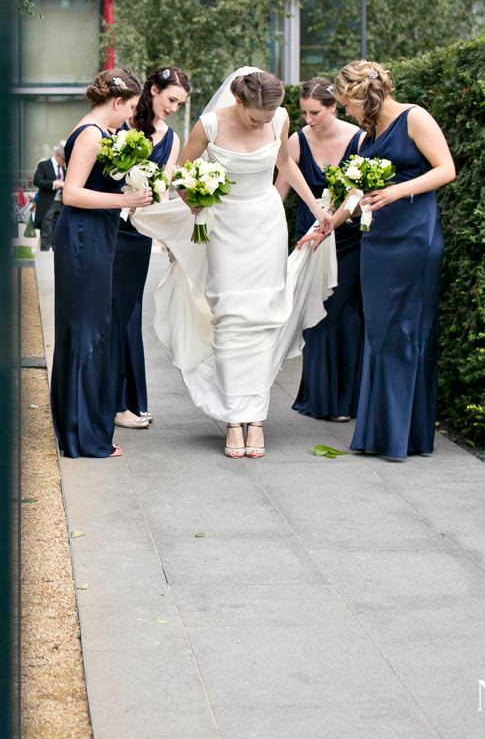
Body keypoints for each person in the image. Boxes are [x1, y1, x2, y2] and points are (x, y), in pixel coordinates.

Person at [131, 68, 335, 460]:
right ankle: (232, 418)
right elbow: (179, 175)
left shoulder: (279, 117)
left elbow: (285, 165)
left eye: (269, 117)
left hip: (265, 224)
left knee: (264, 316)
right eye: (256, 117)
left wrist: (314, 209)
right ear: (238, 101)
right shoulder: (208, 125)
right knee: (230, 315)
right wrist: (193, 197)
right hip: (224, 226)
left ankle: (254, 418)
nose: (264, 123)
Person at [332, 60, 456, 461]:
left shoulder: (414, 117)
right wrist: (326, 226)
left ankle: (402, 435)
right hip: (376, 240)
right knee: (380, 331)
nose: (345, 113)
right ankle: (380, 431)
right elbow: (355, 195)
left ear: (359, 97)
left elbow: (446, 169)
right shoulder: (366, 137)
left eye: (345, 105)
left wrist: (399, 191)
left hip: (413, 237)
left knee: (405, 330)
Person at [50, 68, 151, 459]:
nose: (129, 116)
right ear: (115, 102)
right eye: (128, 107)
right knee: (87, 329)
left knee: (95, 327)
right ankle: (81, 435)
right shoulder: (91, 133)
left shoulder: (104, 133)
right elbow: (73, 193)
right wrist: (125, 201)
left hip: (97, 233)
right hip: (82, 236)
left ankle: (88, 427)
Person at [275, 77, 364, 423]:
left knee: (346, 313)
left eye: (315, 112)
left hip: (349, 239)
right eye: (304, 113)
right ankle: (318, 397)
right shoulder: (297, 142)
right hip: (309, 236)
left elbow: (361, 193)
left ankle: (348, 400)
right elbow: (279, 193)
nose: (308, 119)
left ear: (333, 107)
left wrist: (339, 218)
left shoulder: (359, 139)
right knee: (317, 314)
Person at [109, 66, 191, 430]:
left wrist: (171, 240)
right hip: (107, 224)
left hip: (137, 236)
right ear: (153, 90)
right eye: (171, 99)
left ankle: (128, 400)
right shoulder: (119, 125)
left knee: (127, 312)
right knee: (105, 313)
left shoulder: (171, 139)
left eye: (180, 103)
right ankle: (107, 400)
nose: (173, 107)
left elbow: (164, 193)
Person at [32, 144, 66, 251]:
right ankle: (44, 259)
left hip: (60, 204)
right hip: (47, 203)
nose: (64, 162)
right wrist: (53, 184)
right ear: (57, 155)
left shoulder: (63, 169)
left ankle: (57, 258)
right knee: (46, 232)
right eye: (63, 159)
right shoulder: (44, 165)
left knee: (58, 232)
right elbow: (37, 181)